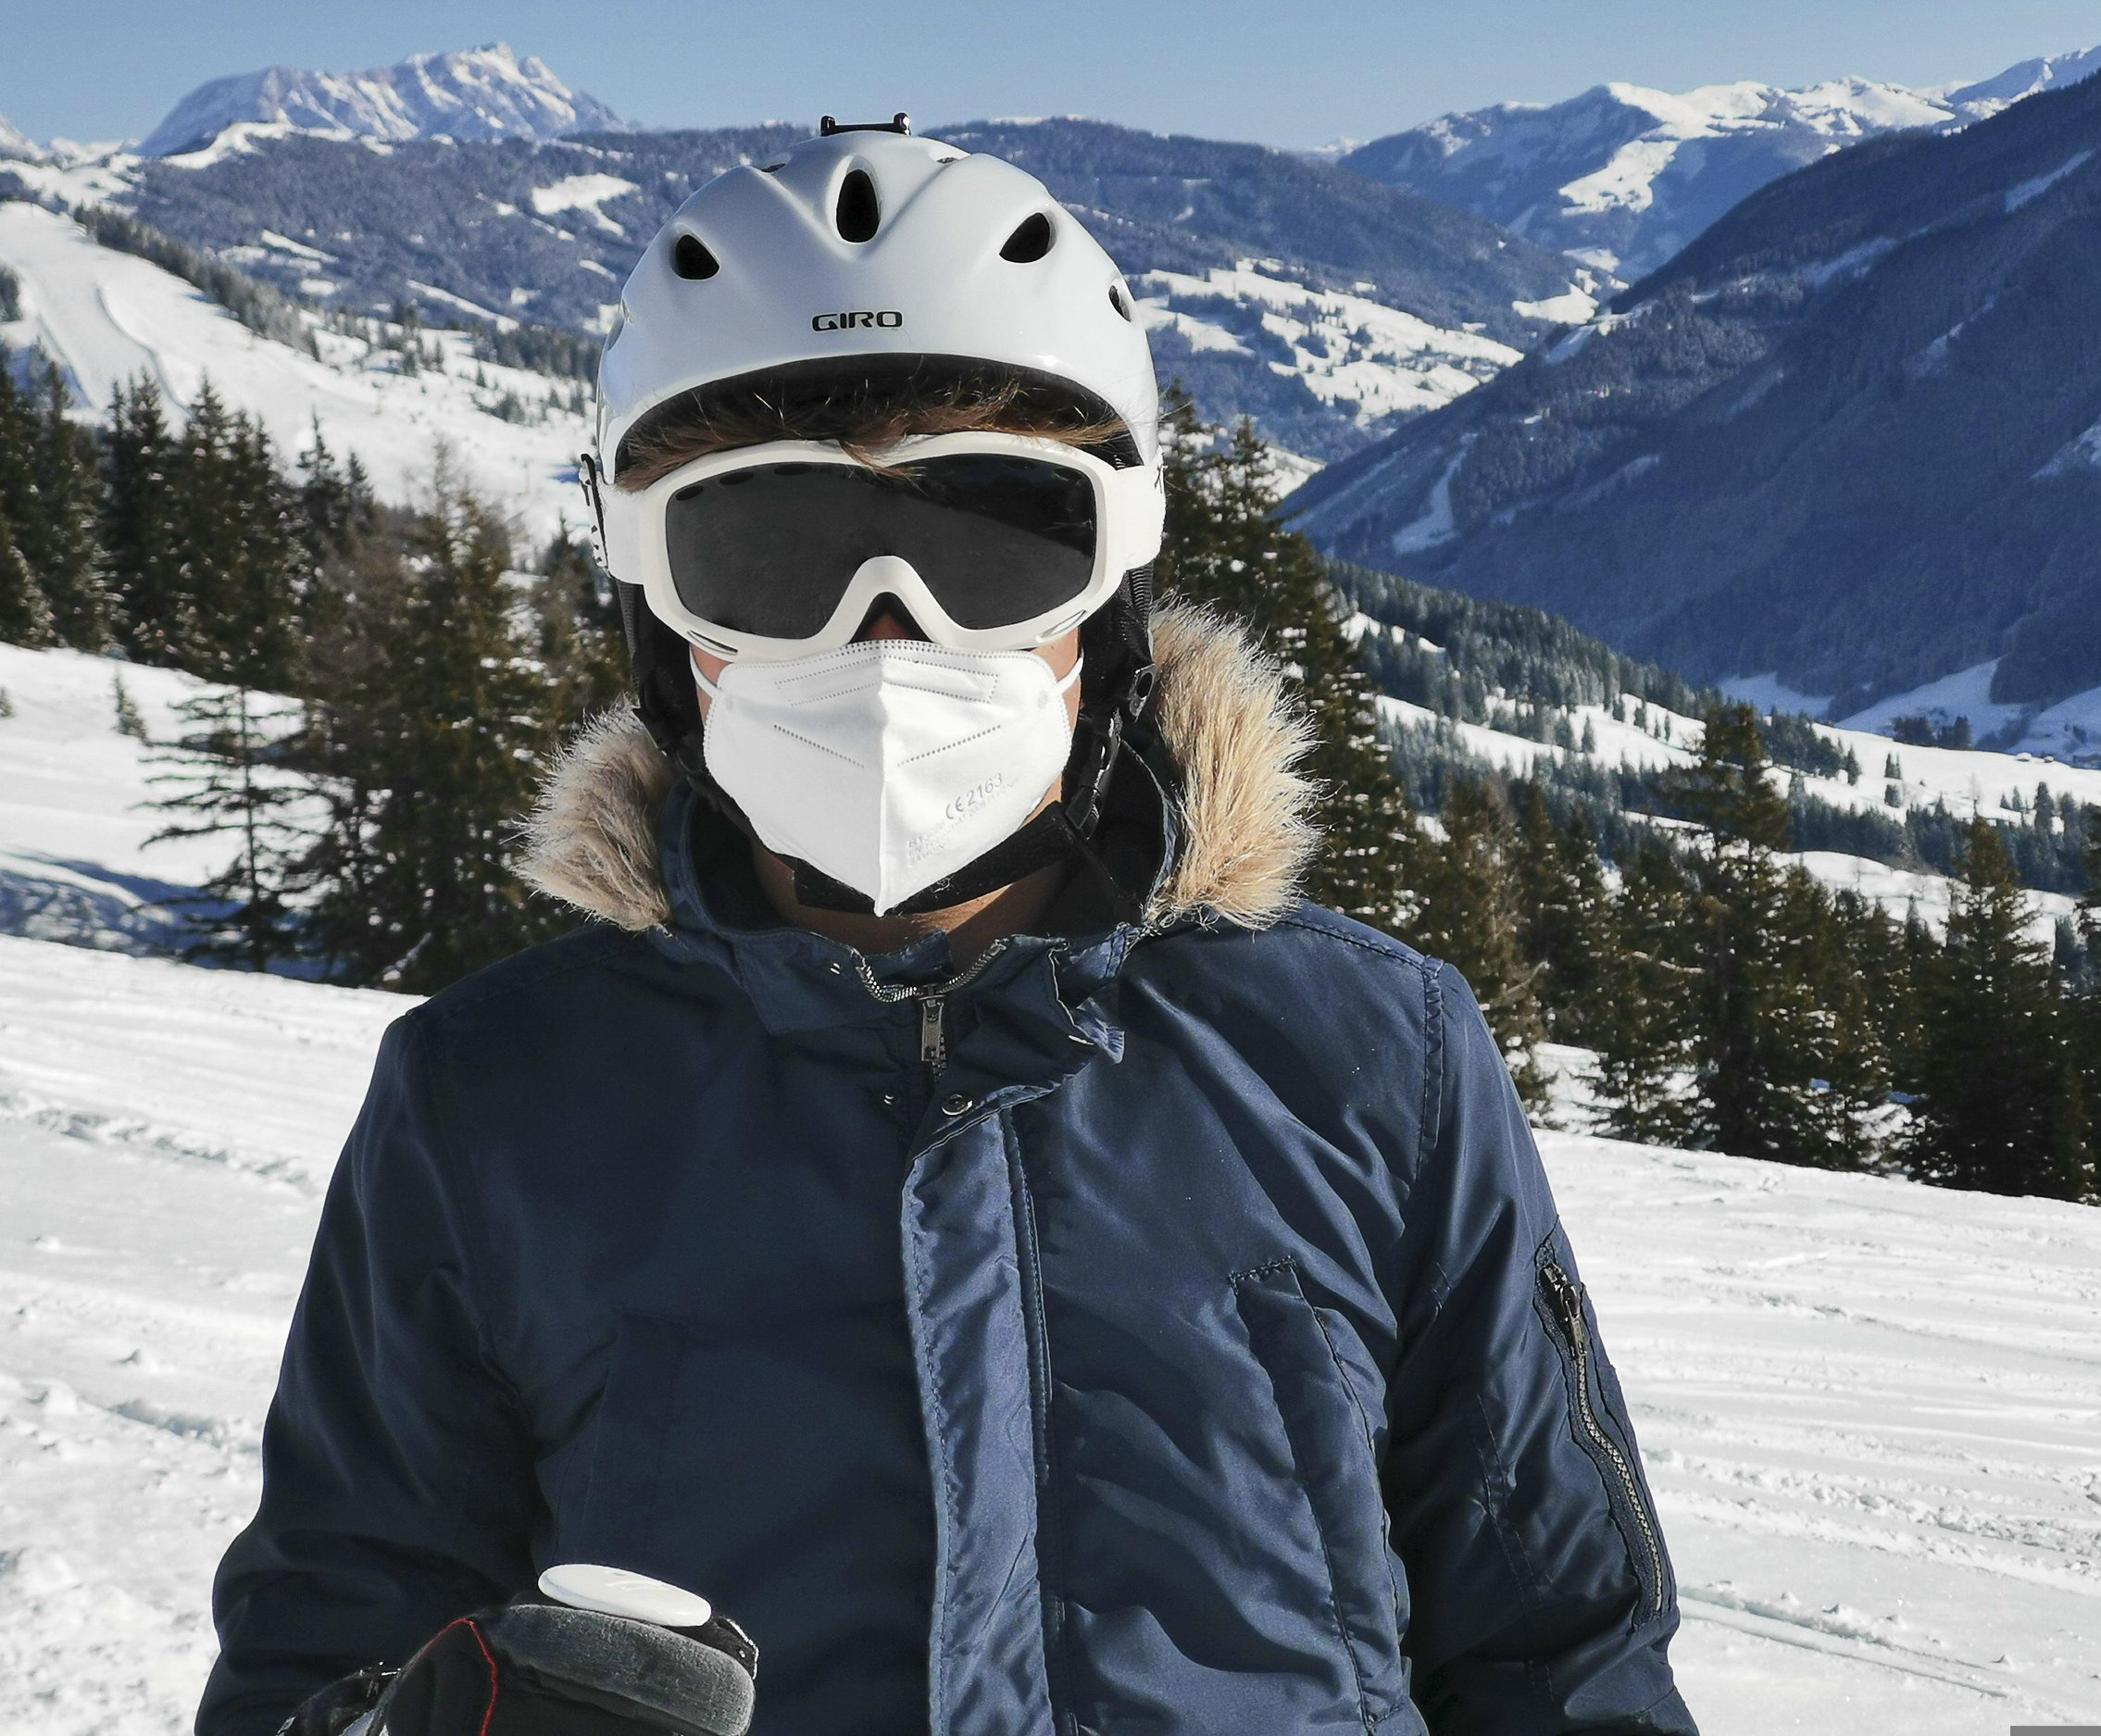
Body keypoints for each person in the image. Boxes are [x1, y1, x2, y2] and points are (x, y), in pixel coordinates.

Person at [197, 118, 1694, 1736]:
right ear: (657, 616)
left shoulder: (1371, 1057)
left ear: (1108, 600)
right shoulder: (493, 1099)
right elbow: (323, 1645)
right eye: (772, 551)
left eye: (995, 541)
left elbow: (1564, 1651)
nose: (889, 635)